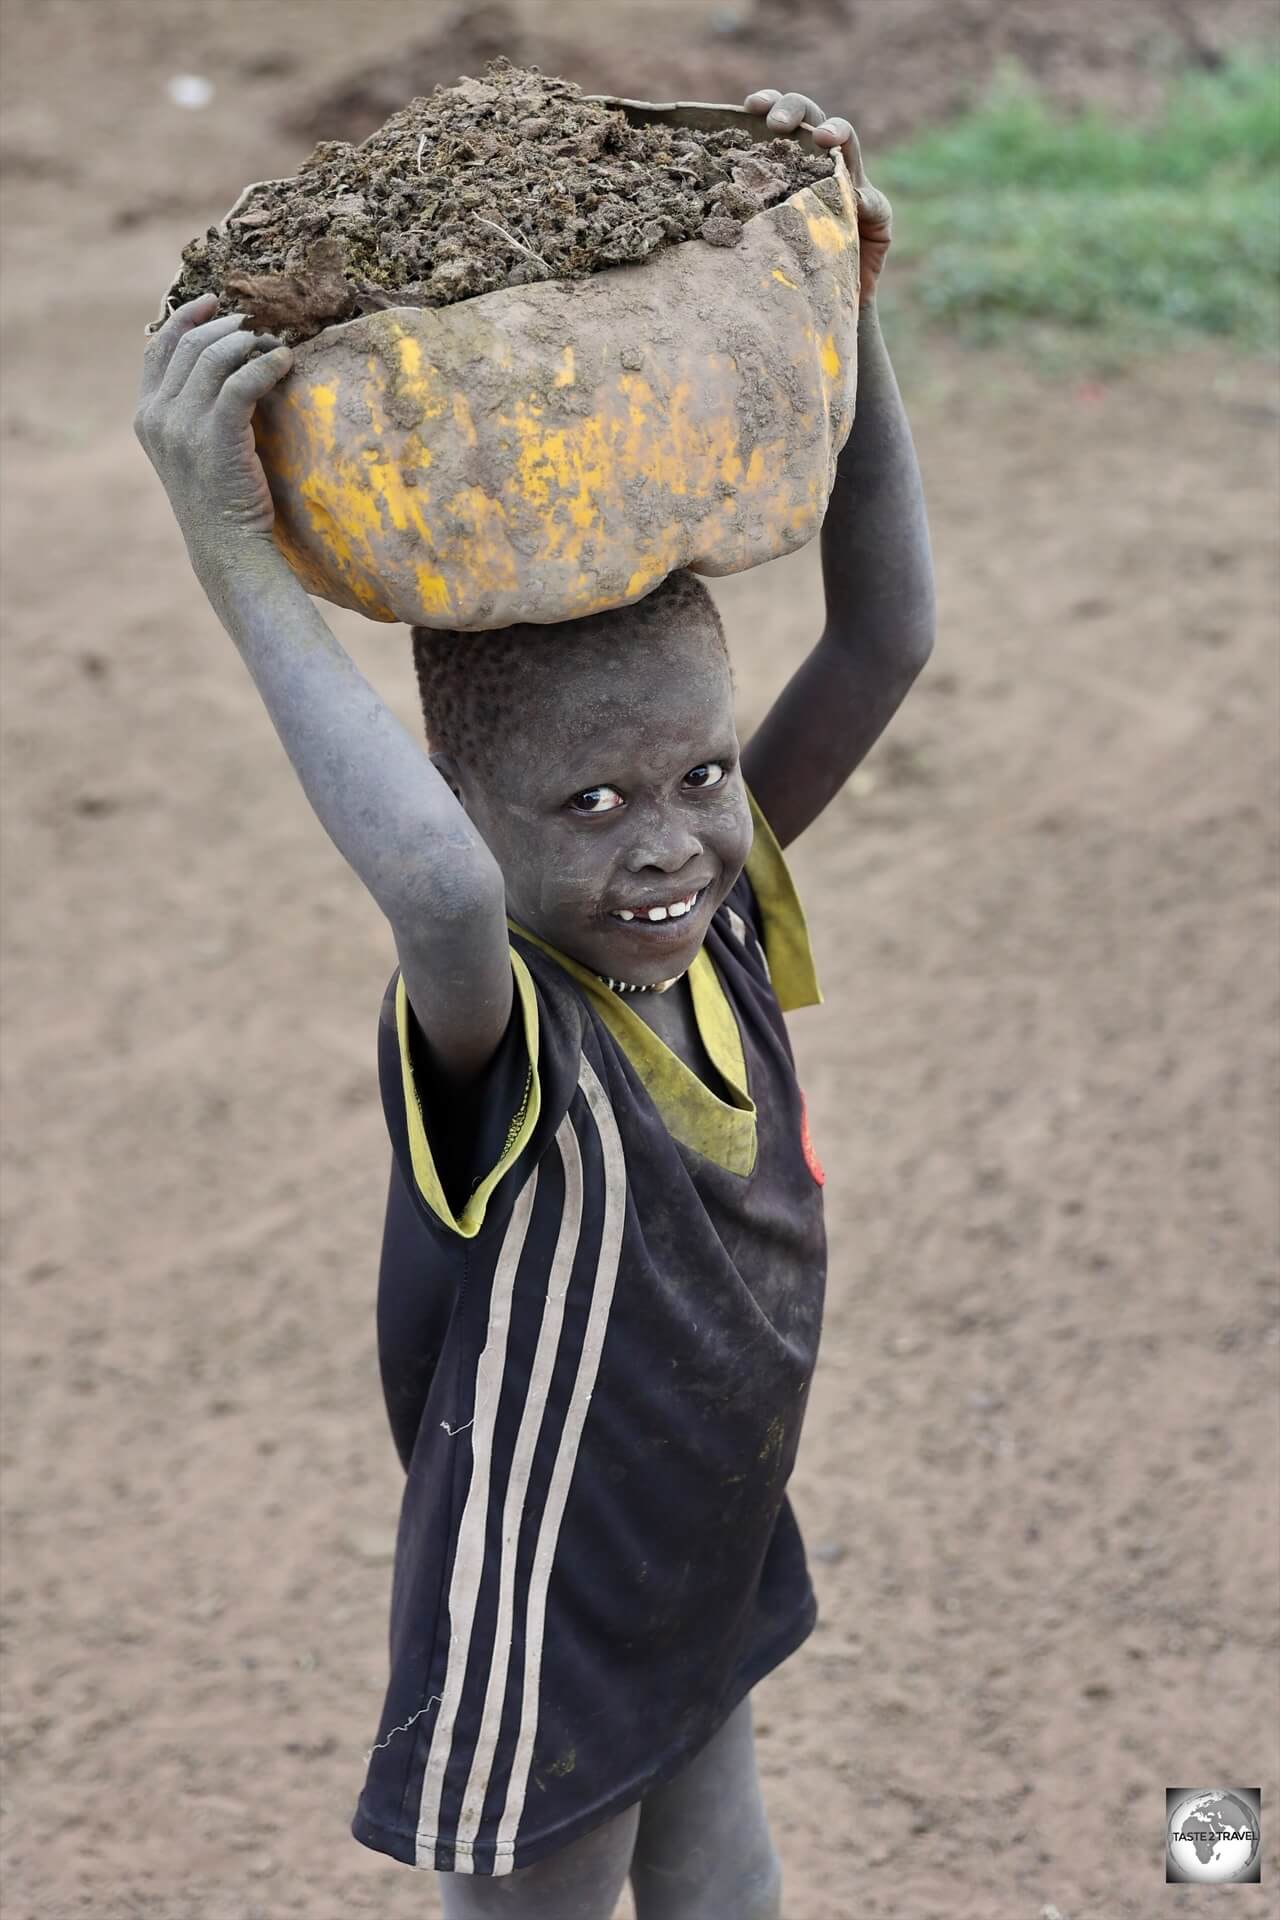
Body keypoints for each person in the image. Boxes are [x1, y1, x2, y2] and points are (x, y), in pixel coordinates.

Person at [135, 82, 933, 1920]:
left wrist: (846, 303)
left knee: (728, 1878)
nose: (664, 847)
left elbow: (886, 633)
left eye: (696, 780)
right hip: (544, 1615)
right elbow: (421, 877)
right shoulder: (507, 1018)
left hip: (705, 1537)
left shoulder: (719, 921)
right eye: (585, 807)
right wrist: (225, 530)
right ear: (479, 819)